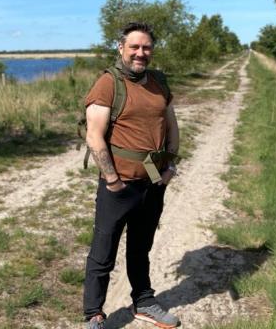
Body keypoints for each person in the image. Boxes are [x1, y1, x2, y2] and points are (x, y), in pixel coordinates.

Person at [83, 22, 180, 329]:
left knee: (141, 247)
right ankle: (94, 314)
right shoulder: (108, 84)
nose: (141, 53)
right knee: (103, 251)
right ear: (121, 48)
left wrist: (170, 167)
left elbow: (171, 124)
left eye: (146, 47)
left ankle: (144, 301)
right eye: (134, 47)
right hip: (119, 186)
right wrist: (112, 181)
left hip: (153, 183)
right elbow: (94, 136)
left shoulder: (158, 82)